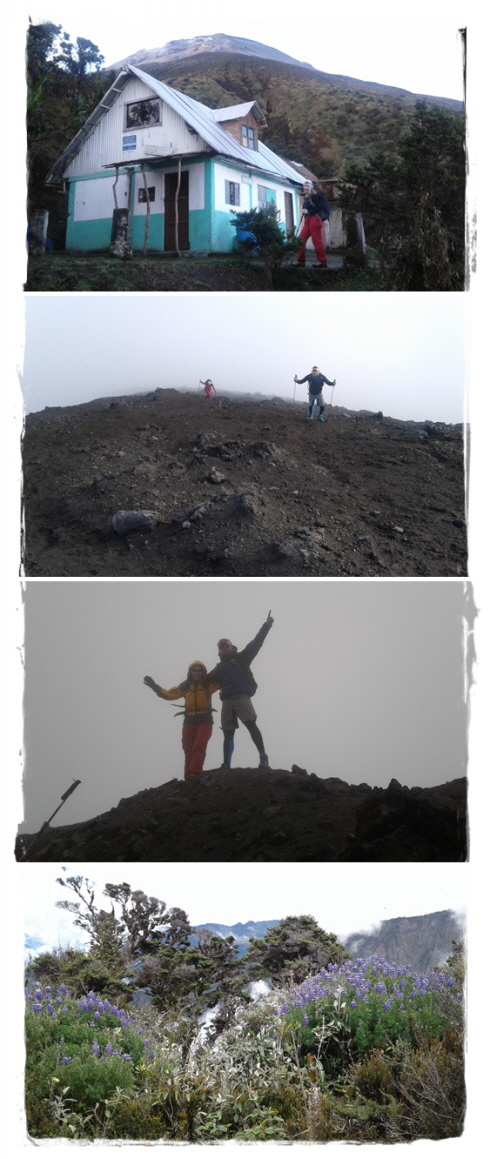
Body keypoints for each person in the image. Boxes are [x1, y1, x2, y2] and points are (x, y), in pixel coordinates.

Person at [207, 612, 274, 770]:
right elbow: (203, 681)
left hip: (241, 696)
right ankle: (226, 764)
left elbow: (256, 643)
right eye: (221, 647)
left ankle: (263, 757)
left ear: (231, 647)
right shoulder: (218, 669)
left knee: (250, 724)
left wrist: (266, 626)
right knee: (228, 732)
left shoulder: (241, 658)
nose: (224, 649)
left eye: (226, 646)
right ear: (219, 650)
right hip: (227, 701)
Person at [143, 663, 220, 780]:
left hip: (205, 720)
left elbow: (225, 681)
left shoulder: (207, 685)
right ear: (190, 672)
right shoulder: (185, 686)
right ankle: (188, 778)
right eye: (194, 670)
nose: (197, 673)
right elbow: (169, 695)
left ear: (203, 672)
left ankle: (194, 773)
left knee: (199, 747)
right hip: (189, 721)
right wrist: (155, 687)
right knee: (188, 749)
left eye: (199, 670)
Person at [296, 180, 329, 268]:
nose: (306, 187)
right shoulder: (306, 197)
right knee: (300, 239)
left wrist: (308, 211)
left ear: (311, 187)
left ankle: (322, 261)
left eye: (308, 186)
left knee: (316, 240)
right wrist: (305, 212)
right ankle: (300, 261)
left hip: (314, 219)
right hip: (308, 220)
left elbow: (319, 208)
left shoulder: (314, 196)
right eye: (305, 186)